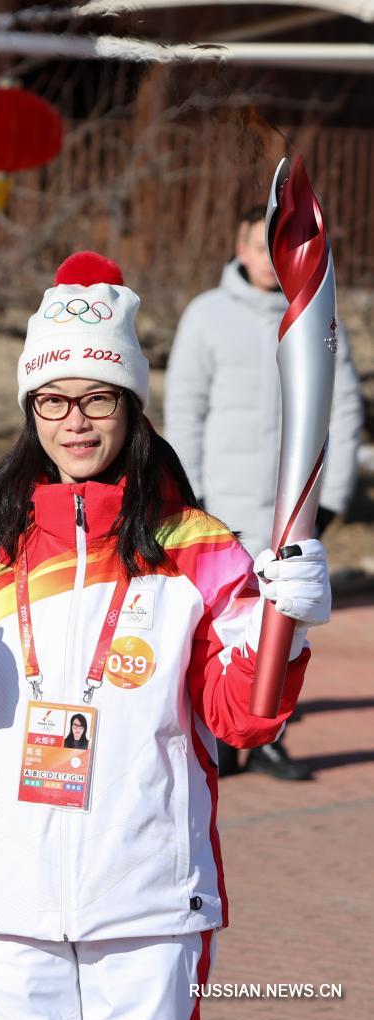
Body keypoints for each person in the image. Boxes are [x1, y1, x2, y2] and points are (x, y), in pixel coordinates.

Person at [0, 253, 331, 1020]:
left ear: (131, 405)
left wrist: (287, 633)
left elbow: (240, 720)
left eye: (95, 398)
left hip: (146, 896)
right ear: (29, 408)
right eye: (51, 400)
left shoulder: (197, 546)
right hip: (7, 894)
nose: (73, 421)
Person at [164, 205, 363, 781]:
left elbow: (343, 406)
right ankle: (221, 732)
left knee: (289, 618)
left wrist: (332, 494)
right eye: (257, 245)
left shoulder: (318, 315)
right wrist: (186, 496)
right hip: (220, 506)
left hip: (290, 508)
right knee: (222, 622)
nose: (266, 260)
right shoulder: (207, 314)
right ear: (240, 245)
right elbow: (186, 408)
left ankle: (271, 736)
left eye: (277, 250)